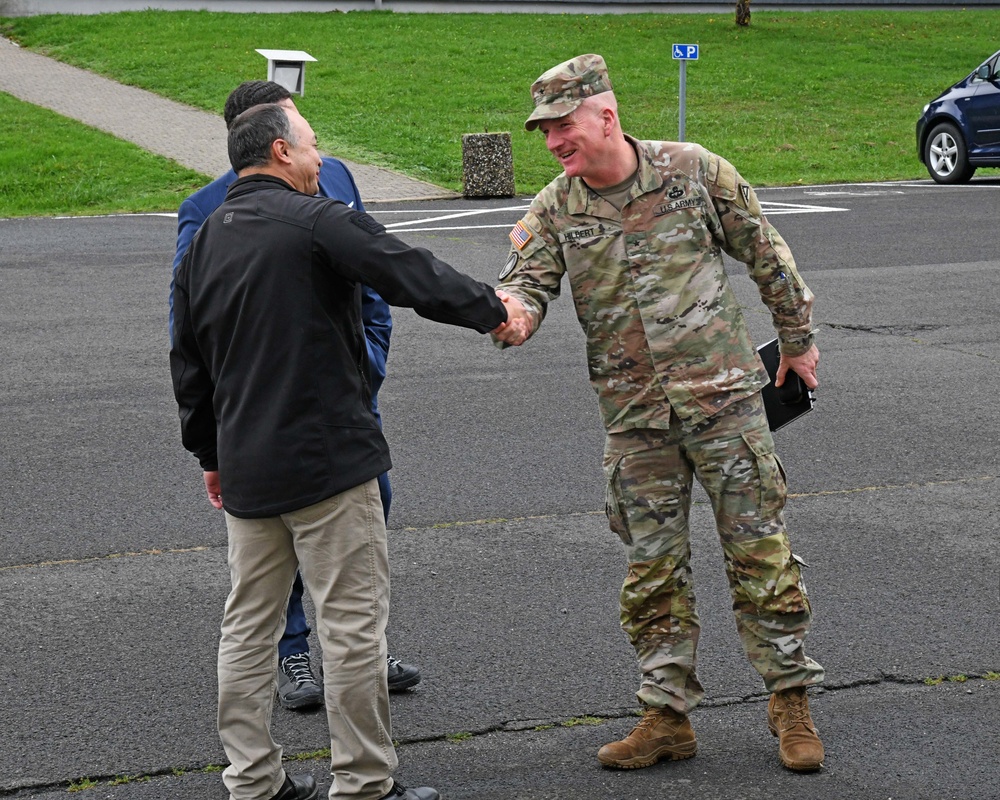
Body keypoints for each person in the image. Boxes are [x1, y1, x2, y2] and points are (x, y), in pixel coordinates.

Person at [171, 102, 530, 800]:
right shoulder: (317, 220)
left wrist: (209, 452)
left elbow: (187, 358)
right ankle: (364, 782)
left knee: (248, 626)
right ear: (280, 152)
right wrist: (495, 308)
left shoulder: (207, 238)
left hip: (246, 469)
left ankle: (252, 782)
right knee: (351, 627)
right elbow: (406, 271)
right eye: (311, 146)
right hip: (328, 465)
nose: (318, 159)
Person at [493, 54, 826, 773]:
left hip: (726, 406)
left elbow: (767, 255)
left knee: (760, 553)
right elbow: (524, 284)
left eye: (562, 126)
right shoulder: (557, 206)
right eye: (543, 131)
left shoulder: (694, 172)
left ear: (604, 116)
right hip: (636, 420)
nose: (551, 142)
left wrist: (797, 344)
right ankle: (666, 715)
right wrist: (512, 317)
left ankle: (791, 701)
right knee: (652, 570)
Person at [172, 80, 419, 711]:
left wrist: (369, 360)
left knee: (368, 518)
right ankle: (296, 652)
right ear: (268, 143)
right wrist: (211, 446)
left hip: (345, 396)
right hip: (267, 412)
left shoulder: (333, 175)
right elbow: (191, 329)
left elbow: (374, 278)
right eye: (297, 129)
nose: (311, 143)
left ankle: (362, 648)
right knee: (273, 549)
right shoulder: (204, 210)